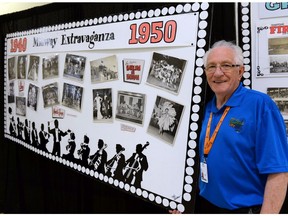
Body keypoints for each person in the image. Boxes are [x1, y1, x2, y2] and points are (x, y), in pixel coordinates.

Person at [170, 40, 288, 214]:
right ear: (205, 72)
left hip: (244, 210)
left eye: (226, 65)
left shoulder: (260, 105)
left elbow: (279, 173)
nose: (218, 73)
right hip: (204, 206)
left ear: (240, 71)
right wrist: (183, 204)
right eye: (211, 67)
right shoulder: (204, 108)